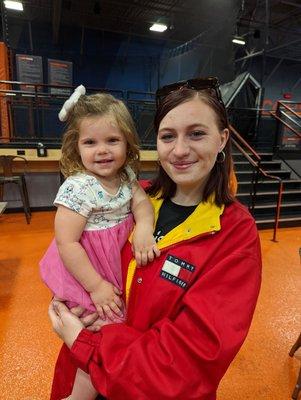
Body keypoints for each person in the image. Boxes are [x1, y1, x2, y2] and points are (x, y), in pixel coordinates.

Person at [48, 77, 262, 400]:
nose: (179, 150)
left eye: (196, 133)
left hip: (139, 384)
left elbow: (185, 363)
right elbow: (70, 249)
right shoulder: (131, 199)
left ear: (222, 139)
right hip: (88, 373)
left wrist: (87, 342)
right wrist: (66, 300)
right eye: (167, 136)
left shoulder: (234, 234)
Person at [40, 87, 160, 400]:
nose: (102, 150)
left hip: (113, 264)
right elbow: (66, 242)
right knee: (97, 329)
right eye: (90, 142)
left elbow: (142, 204)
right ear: (76, 147)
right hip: (87, 269)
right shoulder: (78, 188)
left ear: (127, 143)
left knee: (117, 327)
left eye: (112, 140)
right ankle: (80, 394)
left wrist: (145, 227)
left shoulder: (126, 177)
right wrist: (95, 286)